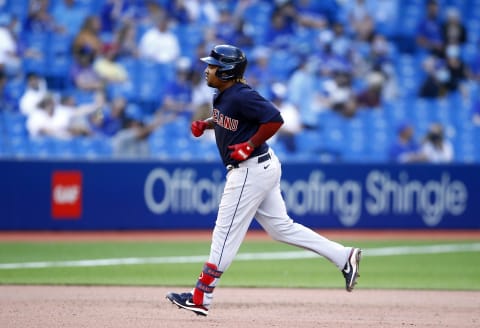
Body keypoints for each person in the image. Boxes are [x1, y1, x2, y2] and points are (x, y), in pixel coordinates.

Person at [166, 44, 362, 316]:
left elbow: (274, 119)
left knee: (224, 233)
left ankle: (201, 297)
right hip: (261, 167)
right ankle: (344, 257)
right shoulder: (224, 95)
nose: (207, 69)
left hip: (249, 169)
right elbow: (231, 119)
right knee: (282, 228)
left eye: (212, 66)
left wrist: (249, 144)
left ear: (226, 71)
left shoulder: (240, 95)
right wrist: (208, 123)